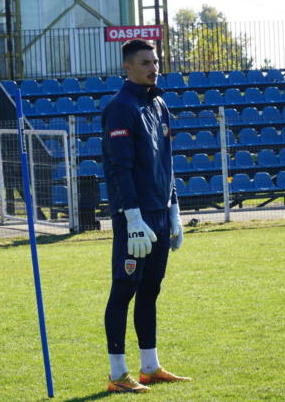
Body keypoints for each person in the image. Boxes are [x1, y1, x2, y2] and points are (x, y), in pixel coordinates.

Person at [101, 38, 190, 393]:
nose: (154, 68)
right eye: (145, 63)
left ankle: (150, 367)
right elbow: (119, 168)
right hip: (134, 218)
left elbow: (166, 162)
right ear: (128, 67)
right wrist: (133, 218)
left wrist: (174, 209)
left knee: (151, 289)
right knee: (124, 290)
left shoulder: (159, 104)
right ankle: (117, 374)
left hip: (160, 213)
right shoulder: (120, 108)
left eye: (155, 62)